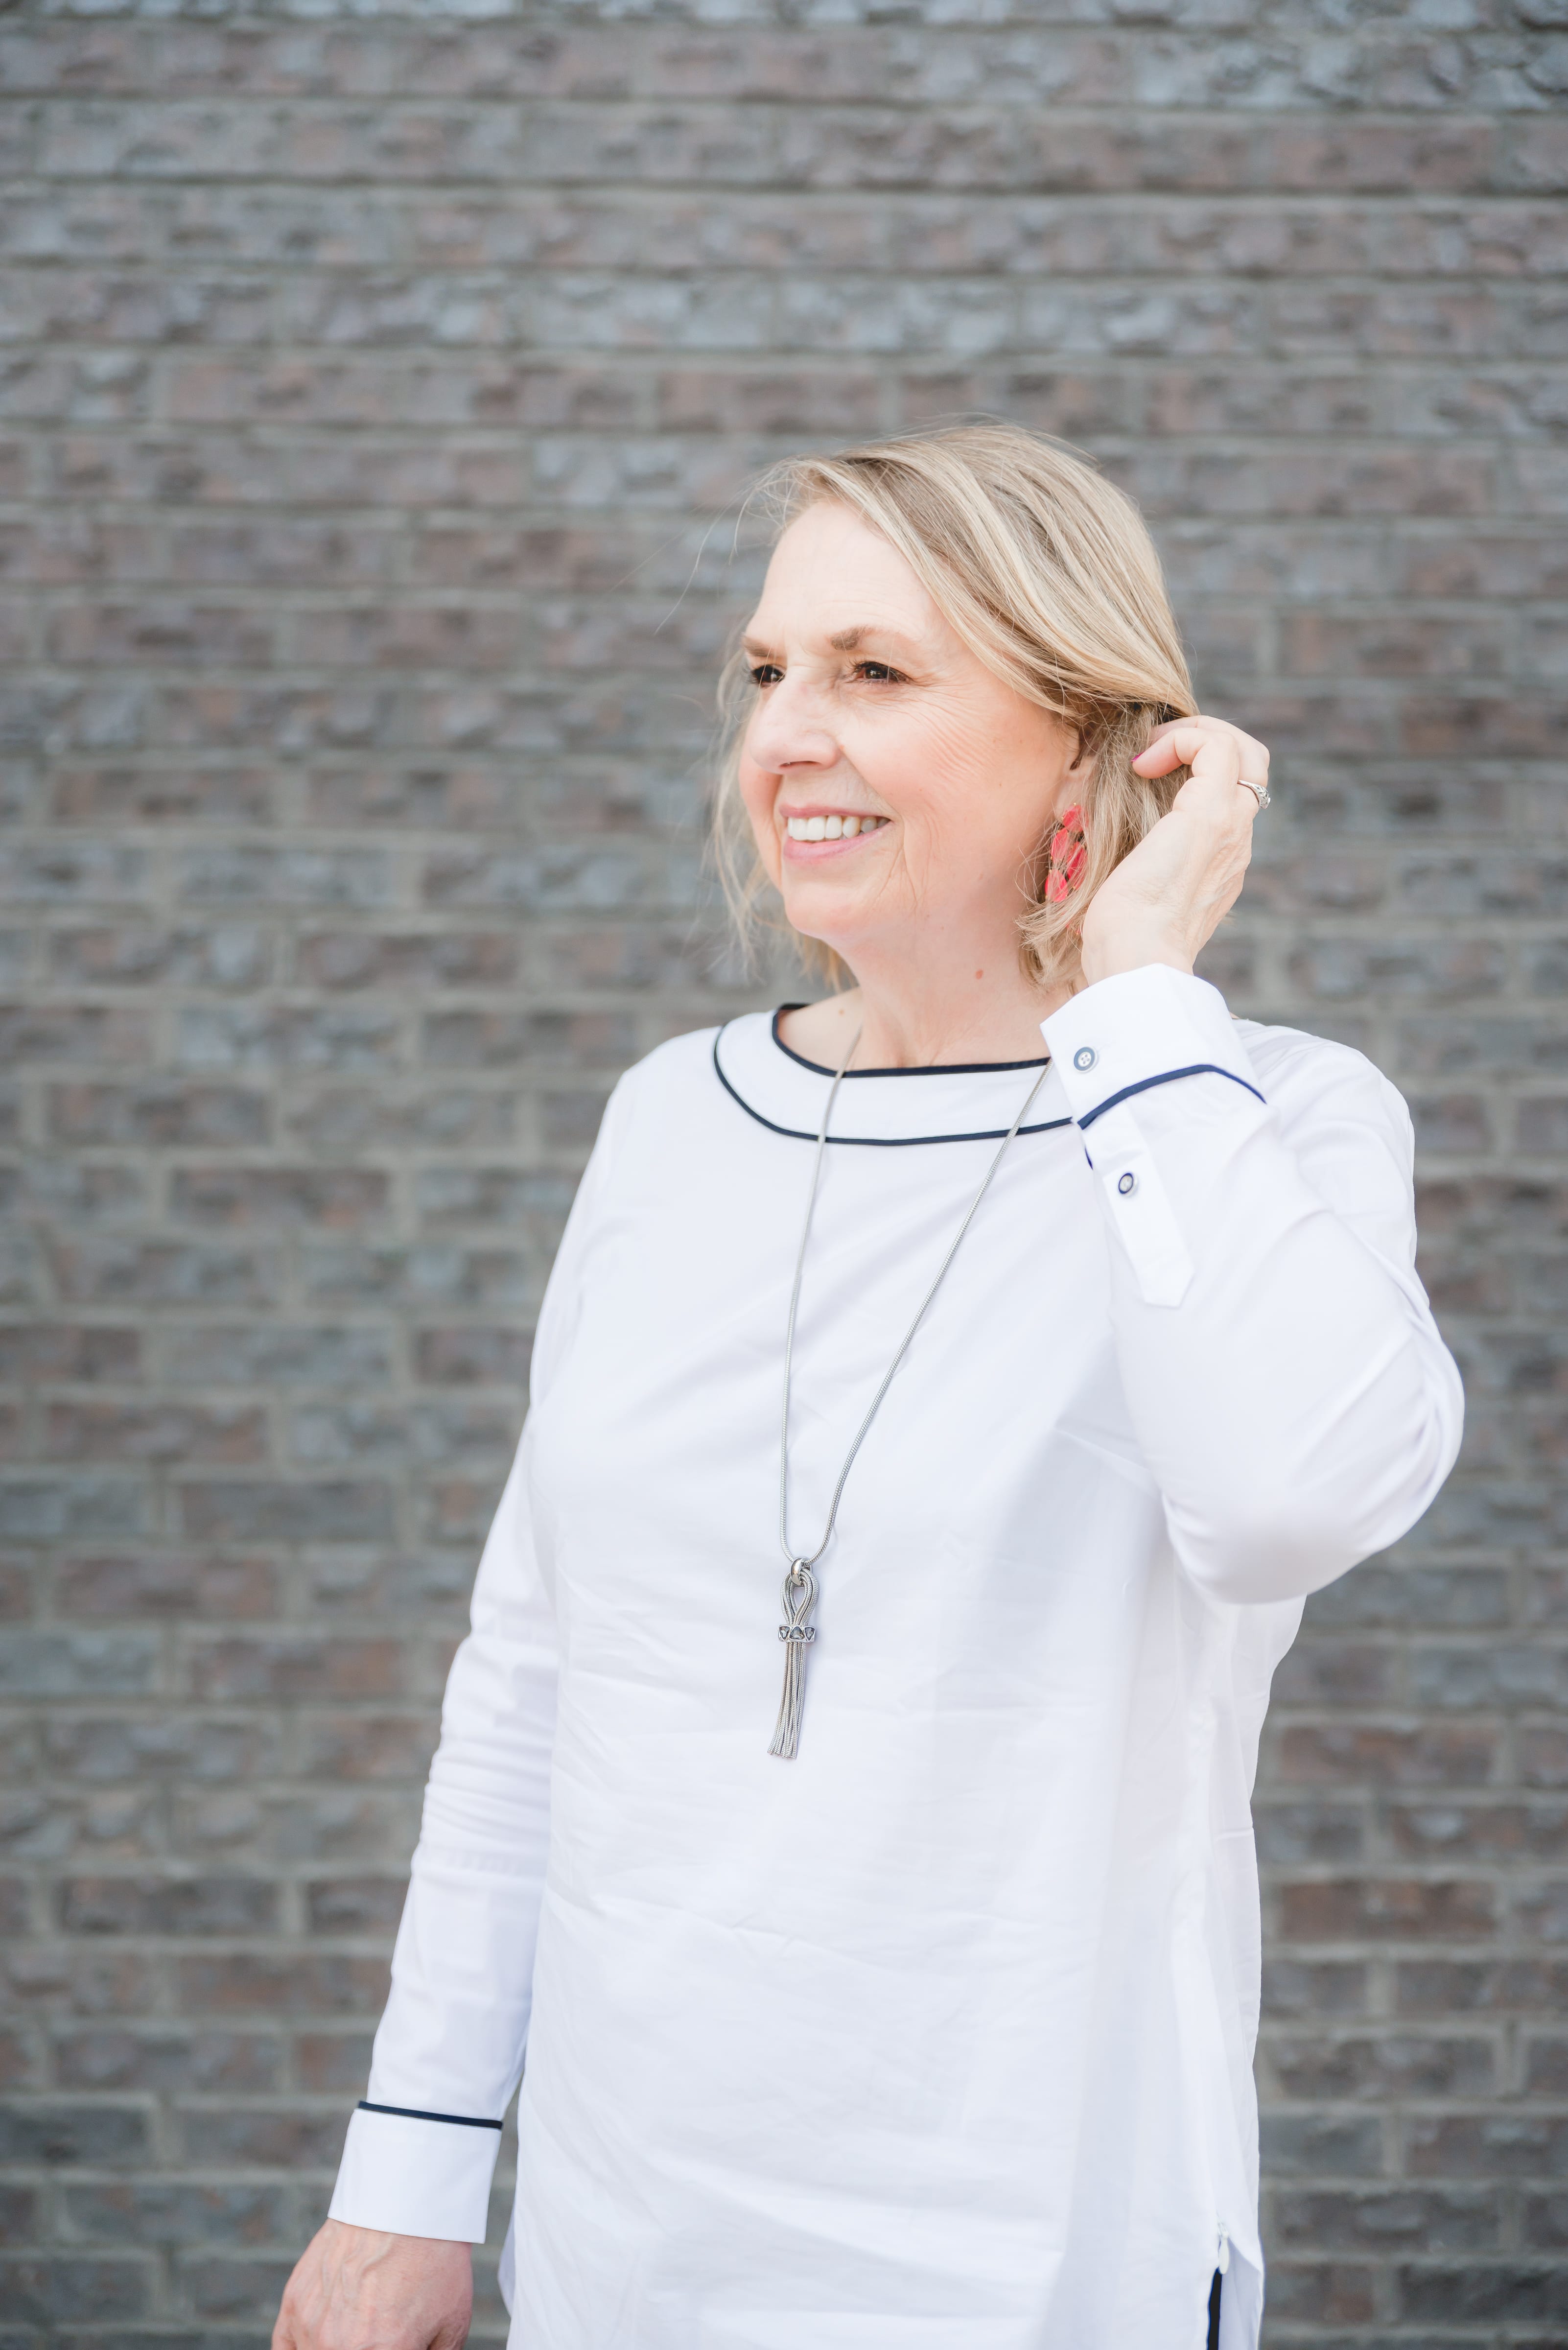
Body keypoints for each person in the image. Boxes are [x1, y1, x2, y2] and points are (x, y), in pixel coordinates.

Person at [273, 426, 1463, 2350]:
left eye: (875, 671)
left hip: (1037, 2260)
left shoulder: (1257, 1120)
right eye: (768, 670)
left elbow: (1286, 1506)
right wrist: (406, 2179)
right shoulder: (669, 1119)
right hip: (620, 2247)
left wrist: (1137, 1003)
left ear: (1090, 736)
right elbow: (533, 1679)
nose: (784, 737)